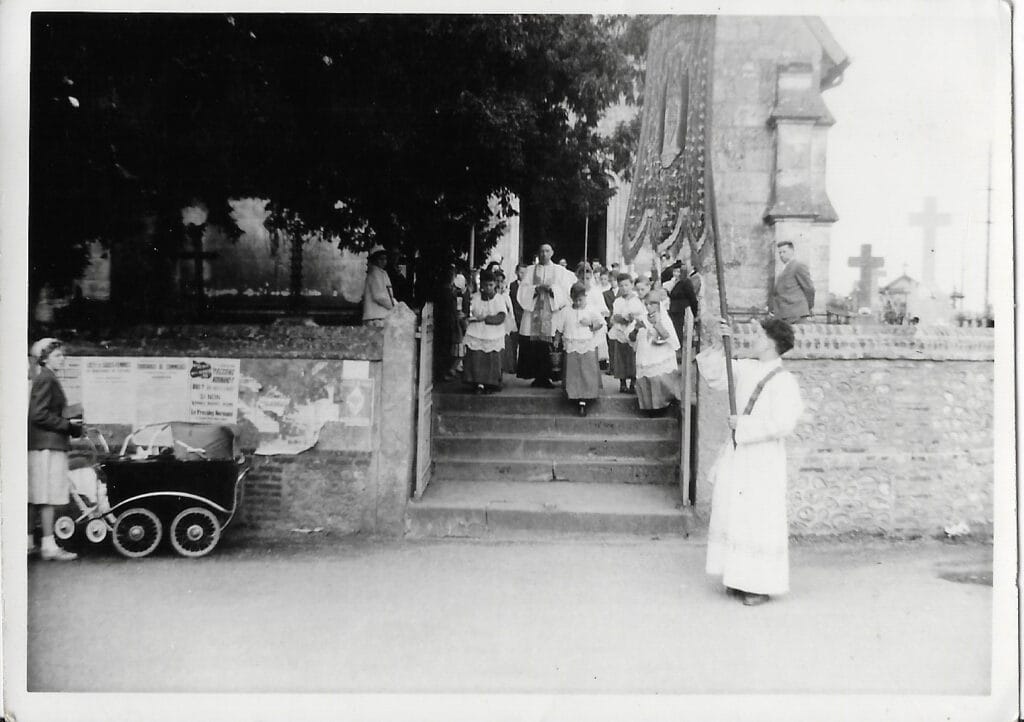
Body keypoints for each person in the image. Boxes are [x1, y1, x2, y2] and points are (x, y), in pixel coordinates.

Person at [696, 317, 804, 606]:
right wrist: (721, 343)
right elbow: (713, 373)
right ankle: (737, 577)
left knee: (757, 517)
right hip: (739, 455)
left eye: (757, 333)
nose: (752, 337)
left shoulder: (784, 381)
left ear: (770, 341)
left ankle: (759, 584)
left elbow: (783, 423)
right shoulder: (746, 368)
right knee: (735, 512)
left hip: (762, 460)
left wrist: (742, 425)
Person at [28, 338, 82, 561]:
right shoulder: (47, 378)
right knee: (46, 496)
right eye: (58, 355)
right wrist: (68, 425)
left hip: (40, 444)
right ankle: (49, 546)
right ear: (45, 357)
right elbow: (38, 414)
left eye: (63, 355)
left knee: (34, 495)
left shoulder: (44, 376)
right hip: (47, 445)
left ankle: (28, 541)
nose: (63, 359)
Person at [516, 244, 577, 388]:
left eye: (547, 251)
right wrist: (535, 289)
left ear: (552, 253)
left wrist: (552, 290)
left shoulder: (560, 271)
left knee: (549, 344)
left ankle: (550, 376)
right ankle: (537, 377)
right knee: (535, 345)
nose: (544, 254)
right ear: (538, 253)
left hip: (552, 313)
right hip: (534, 313)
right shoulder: (530, 270)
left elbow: (566, 290)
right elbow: (523, 290)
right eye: (541, 251)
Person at [555, 282, 605, 416]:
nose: (577, 303)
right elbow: (559, 328)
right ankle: (574, 394)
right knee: (573, 371)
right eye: (575, 300)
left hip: (587, 345)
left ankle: (586, 396)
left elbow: (600, 323)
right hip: (572, 345)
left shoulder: (590, 309)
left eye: (580, 300)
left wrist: (590, 323)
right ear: (571, 297)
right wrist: (556, 340)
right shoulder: (566, 311)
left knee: (587, 371)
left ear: (585, 297)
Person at [634, 288, 681, 413]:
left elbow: (668, 336)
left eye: (651, 304)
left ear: (658, 304)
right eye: (646, 304)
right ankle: (648, 406)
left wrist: (657, 324)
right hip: (646, 351)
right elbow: (632, 337)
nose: (649, 307)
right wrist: (637, 328)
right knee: (645, 377)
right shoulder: (642, 318)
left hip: (660, 351)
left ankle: (661, 405)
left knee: (658, 377)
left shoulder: (664, 318)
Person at [463, 270, 507, 393]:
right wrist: (470, 317)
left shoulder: (499, 299)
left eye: (491, 285)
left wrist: (487, 318)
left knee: (491, 359)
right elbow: (470, 312)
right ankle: (478, 383)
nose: (488, 288)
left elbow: (502, 316)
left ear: (495, 285)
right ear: (481, 285)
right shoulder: (475, 297)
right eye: (485, 285)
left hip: (493, 331)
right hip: (477, 329)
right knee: (476, 357)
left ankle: (491, 383)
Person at [608, 273, 644, 394]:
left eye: (626, 285)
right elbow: (615, 317)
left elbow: (635, 316)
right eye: (621, 285)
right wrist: (623, 318)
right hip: (620, 332)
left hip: (633, 333)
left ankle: (633, 383)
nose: (624, 288)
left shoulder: (637, 300)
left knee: (632, 358)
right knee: (620, 358)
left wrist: (627, 318)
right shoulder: (618, 301)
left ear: (632, 285)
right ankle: (622, 383)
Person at [769, 241, 815, 323]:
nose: (781, 255)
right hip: (783, 315)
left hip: (796, 315)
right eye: (779, 253)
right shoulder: (783, 269)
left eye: (784, 252)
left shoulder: (798, 266)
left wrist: (808, 307)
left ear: (792, 251)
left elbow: (809, 289)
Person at [575, 262, 610, 366]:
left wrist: (592, 320)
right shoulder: (574, 290)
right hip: (578, 322)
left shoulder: (596, 291)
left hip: (593, 323)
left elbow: (602, 310)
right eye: (582, 277)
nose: (584, 280)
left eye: (587, 277)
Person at [362, 245, 395, 326]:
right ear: (375, 260)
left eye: (385, 259)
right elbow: (378, 296)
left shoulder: (382, 273)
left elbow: (389, 294)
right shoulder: (374, 273)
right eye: (381, 259)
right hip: (375, 317)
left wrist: (396, 305)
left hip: (381, 315)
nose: (384, 262)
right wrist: (393, 307)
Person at [495, 270, 517, 375]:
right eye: (497, 281)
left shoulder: (505, 296)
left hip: (504, 324)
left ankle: (506, 367)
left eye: (501, 281)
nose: (499, 284)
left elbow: (509, 310)